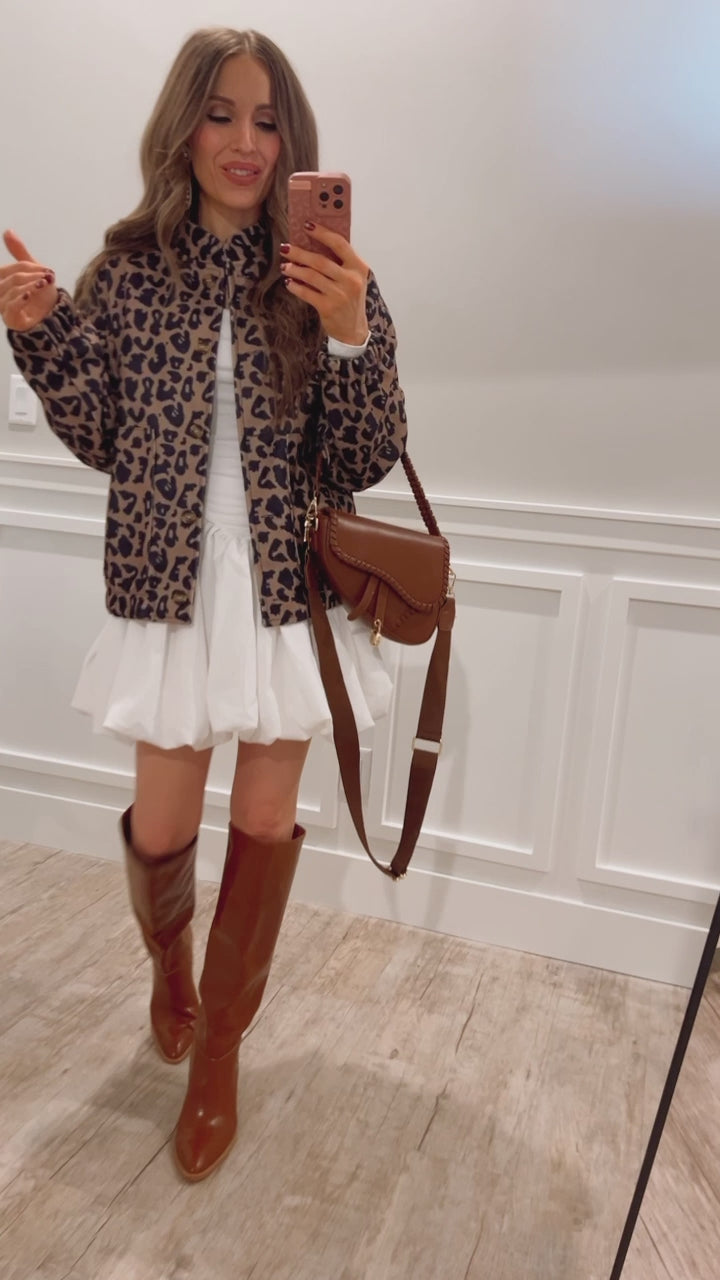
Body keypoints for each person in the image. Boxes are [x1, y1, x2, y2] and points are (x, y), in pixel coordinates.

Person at [0, 27, 407, 1182]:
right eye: (221, 113)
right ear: (183, 126)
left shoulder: (328, 272)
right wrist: (37, 333)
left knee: (266, 827)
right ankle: (170, 968)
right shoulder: (130, 270)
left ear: (294, 140)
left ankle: (220, 1049)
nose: (244, 140)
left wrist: (351, 336)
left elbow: (366, 456)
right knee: (164, 828)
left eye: (268, 119)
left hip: (286, 589)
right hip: (166, 582)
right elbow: (103, 435)